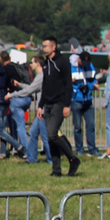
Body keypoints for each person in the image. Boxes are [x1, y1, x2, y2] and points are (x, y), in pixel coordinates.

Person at [37, 36, 80, 177]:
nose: (43, 49)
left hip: (59, 103)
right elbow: (45, 85)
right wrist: (40, 105)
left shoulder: (62, 62)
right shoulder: (46, 63)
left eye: (46, 46)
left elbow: (68, 84)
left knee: (52, 133)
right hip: (47, 104)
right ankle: (56, 170)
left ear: (53, 47)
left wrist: (67, 105)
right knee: (50, 138)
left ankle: (73, 159)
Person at [12, 59, 47, 165]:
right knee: (33, 133)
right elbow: (32, 88)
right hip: (41, 110)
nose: (30, 65)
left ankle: (51, 159)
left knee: (45, 137)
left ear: (38, 63)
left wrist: (12, 94)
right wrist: (20, 85)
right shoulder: (40, 76)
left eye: (32, 62)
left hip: (43, 110)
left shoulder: (41, 76)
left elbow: (29, 90)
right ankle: (32, 158)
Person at [70, 50, 98, 156]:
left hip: (88, 100)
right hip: (76, 100)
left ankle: (92, 148)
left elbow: (93, 80)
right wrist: (77, 87)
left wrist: (89, 87)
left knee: (90, 125)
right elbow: (67, 82)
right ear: (79, 59)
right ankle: (79, 149)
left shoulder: (90, 66)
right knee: (77, 127)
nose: (85, 65)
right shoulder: (71, 67)